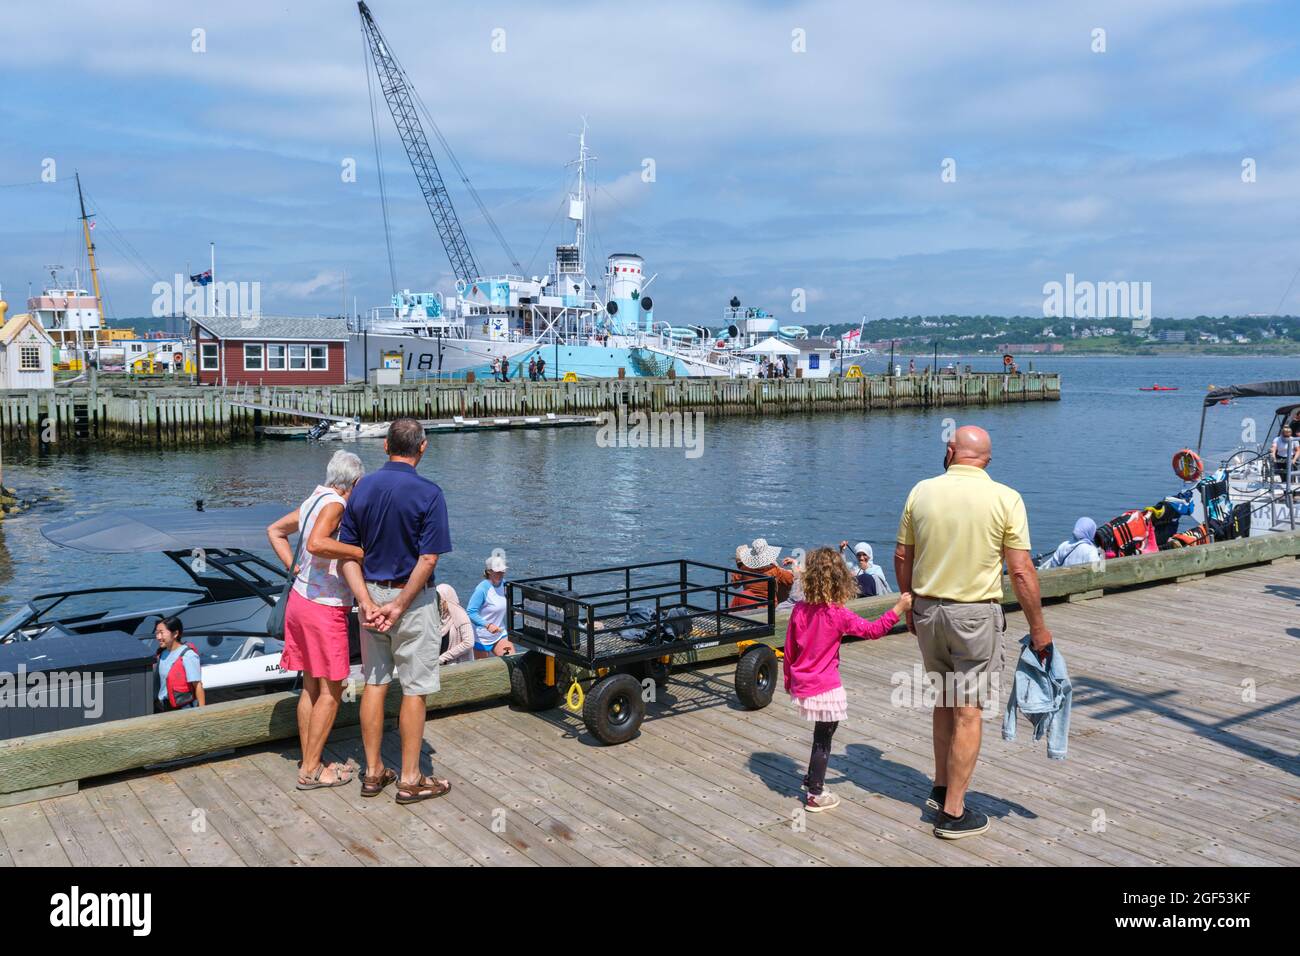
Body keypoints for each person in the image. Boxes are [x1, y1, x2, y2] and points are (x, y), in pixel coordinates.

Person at [894, 424, 1052, 840]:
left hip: (928, 612)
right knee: (969, 711)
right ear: (987, 460)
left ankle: (941, 785)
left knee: (944, 701)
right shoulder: (1005, 497)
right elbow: (1020, 570)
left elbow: (901, 555)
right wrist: (1039, 628)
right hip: (975, 617)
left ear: (950, 452)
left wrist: (910, 604)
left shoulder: (921, 491)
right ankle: (953, 813)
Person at [337, 417, 453, 805]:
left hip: (369, 594)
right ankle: (409, 777)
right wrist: (400, 604)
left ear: (385, 446)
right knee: (415, 689)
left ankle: (372, 773)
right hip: (412, 600)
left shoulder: (361, 488)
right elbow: (429, 558)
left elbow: (348, 556)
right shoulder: (430, 493)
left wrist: (367, 602)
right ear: (423, 447)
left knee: (374, 681)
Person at [784, 548, 912, 811]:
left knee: (824, 732)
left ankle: (811, 776)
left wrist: (789, 682)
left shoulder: (799, 610)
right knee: (824, 739)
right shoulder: (838, 614)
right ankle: (815, 794)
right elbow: (873, 631)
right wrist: (899, 607)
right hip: (825, 686)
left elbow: (789, 651)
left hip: (804, 682)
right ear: (840, 579)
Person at [266, 450, 365, 790]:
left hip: (300, 601)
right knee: (332, 690)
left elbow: (275, 531)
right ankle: (310, 770)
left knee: (310, 685)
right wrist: (358, 552)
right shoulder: (336, 505)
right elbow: (317, 543)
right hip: (324, 607)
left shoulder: (313, 499)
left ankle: (313, 760)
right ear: (352, 483)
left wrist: (294, 568)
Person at [467, 554, 517, 658]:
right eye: (497, 571)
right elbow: (471, 612)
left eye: (502, 571)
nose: (501, 574)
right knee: (483, 672)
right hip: (481, 638)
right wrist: (488, 625)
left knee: (512, 661)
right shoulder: (482, 589)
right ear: (489, 571)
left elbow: (506, 604)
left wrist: (515, 610)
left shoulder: (505, 585)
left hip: (500, 634)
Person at [155, 616, 204, 711]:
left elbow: (197, 685)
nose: (158, 637)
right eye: (157, 633)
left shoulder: (188, 656)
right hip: (163, 707)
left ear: (175, 634)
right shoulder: (162, 654)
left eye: (161, 633)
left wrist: (202, 713)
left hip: (183, 708)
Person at [731, 538, 794, 608]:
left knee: (744, 595)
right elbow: (791, 579)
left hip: (750, 604)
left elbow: (734, 585)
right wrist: (794, 566)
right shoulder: (775, 570)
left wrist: (740, 564)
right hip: (768, 606)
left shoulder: (744, 568)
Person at [436, 583, 476, 666]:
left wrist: (444, 657)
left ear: (448, 599)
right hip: (439, 666)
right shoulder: (439, 617)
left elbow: (468, 643)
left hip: (457, 666)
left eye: (441, 601)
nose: (438, 604)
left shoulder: (461, 617)